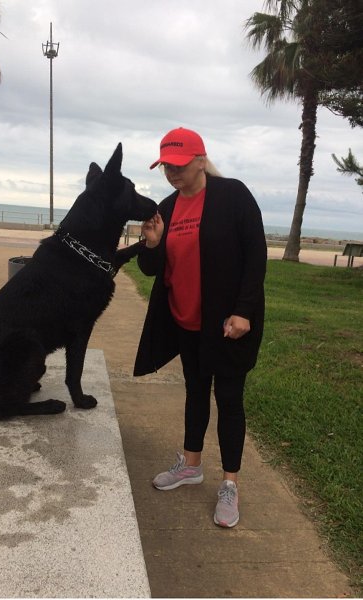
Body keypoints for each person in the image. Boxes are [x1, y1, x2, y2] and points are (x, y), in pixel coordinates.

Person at [133, 127, 267, 527]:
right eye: (165, 166)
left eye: (178, 165)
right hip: (185, 319)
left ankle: (229, 484)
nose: (171, 173)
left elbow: (256, 256)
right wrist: (151, 243)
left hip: (227, 324)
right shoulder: (167, 207)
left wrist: (244, 311)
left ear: (200, 160)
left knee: (229, 398)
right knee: (195, 391)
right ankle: (191, 465)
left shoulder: (233, 196)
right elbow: (151, 269)